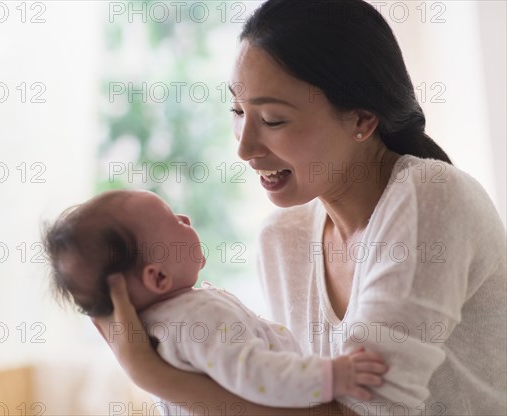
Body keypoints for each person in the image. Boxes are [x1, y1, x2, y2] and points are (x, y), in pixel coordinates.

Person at [92, 0, 507, 414]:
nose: (244, 148)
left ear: (362, 119)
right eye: (237, 111)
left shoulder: (429, 196)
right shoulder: (282, 240)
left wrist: (151, 375)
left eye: (273, 119)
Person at [43, 189, 389, 413]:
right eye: (173, 221)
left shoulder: (159, 330)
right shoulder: (197, 319)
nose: (187, 219)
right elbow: (257, 373)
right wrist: (332, 376)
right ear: (158, 277)